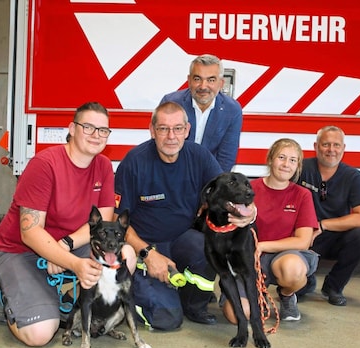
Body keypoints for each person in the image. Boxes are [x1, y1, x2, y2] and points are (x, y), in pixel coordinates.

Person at [0, 102, 135, 346]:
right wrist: (74, 264)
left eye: (103, 130)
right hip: (21, 250)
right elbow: (30, 231)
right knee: (40, 334)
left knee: (126, 253)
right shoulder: (44, 164)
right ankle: (6, 296)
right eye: (88, 127)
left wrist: (65, 246)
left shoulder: (104, 166)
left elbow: (104, 222)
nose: (96, 135)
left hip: (67, 244)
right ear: (72, 128)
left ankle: (71, 299)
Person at [114, 101, 255, 331]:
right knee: (166, 319)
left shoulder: (199, 156)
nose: (171, 136)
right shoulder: (134, 163)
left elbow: (227, 191)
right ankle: (129, 296)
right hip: (145, 247)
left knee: (209, 245)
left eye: (178, 128)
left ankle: (194, 305)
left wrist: (249, 212)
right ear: (152, 131)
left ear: (187, 130)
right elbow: (118, 222)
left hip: (182, 240)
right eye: (163, 129)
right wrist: (148, 254)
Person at [221, 138, 319, 323]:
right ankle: (256, 294)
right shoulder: (248, 189)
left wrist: (263, 246)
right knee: (237, 316)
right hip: (247, 260)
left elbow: (303, 241)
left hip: (283, 256)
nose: (286, 164)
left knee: (293, 270)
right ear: (270, 159)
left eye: (292, 160)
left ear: (298, 165)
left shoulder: (302, 195)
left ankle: (287, 295)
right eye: (281, 157)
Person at [297, 126, 360, 306]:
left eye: (336, 145)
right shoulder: (300, 168)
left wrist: (322, 225)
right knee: (295, 289)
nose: (331, 150)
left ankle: (333, 286)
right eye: (326, 144)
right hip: (303, 235)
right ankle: (304, 282)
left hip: (334, 236)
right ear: (316, 146)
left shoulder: (353, 176)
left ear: (343, 148)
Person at [160, 54, 242, 172]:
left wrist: (212, 187)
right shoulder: (170, 103)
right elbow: (161, 146)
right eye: (197, 79)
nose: (203, 86)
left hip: (210, 177)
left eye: (211, 80)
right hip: (172, 173)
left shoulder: (232, 110)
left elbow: (226, 158)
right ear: (189, 80)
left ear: (221, 83)